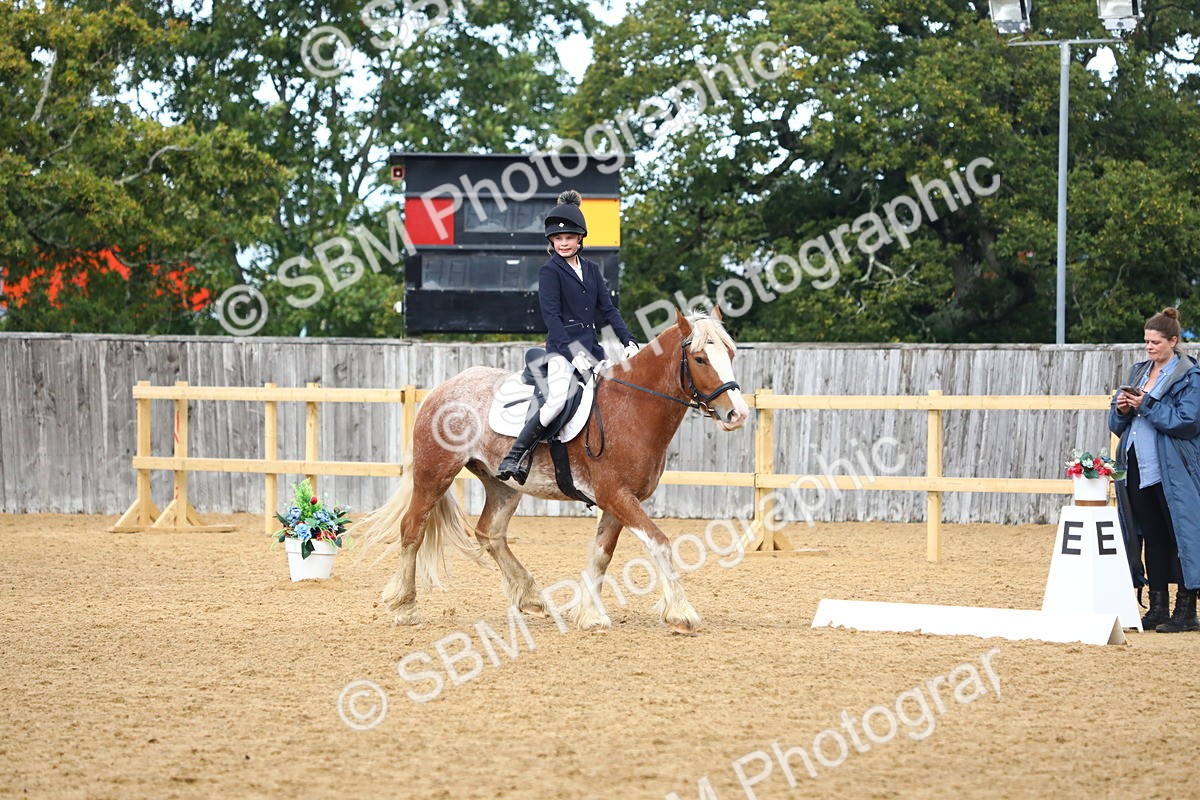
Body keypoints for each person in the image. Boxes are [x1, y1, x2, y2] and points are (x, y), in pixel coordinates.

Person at [495, 190, 639, 484]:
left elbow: (608, 310)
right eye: (558, 238)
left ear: (580, 239)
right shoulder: (550, 272)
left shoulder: (592, 270)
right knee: (556, 401)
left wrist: (629, 341)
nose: (563, 243)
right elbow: (552, 319)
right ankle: (515, 455)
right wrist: (574, 355)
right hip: (562, 352)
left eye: (569, 238)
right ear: (552, 241)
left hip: (593, 351)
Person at [1109, 307, 1200, 633]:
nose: (1149, 347)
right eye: (1146, 341)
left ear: (1173, 341)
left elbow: (1188, 422)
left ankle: (1186, 612)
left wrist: (1146, 404)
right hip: (1137, 466)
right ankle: (1157, 608)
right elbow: (1117, 424)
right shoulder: (1138, 372)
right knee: (1152, 537)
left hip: (1173, 470)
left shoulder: (1190, 377)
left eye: (1156, 342)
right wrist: (1121, 409)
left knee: (1182, 536)